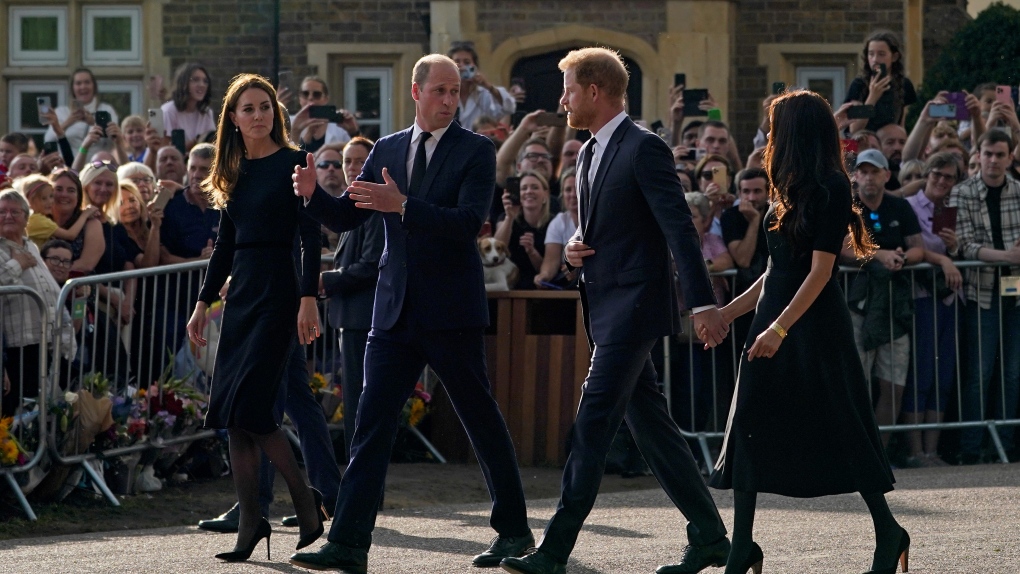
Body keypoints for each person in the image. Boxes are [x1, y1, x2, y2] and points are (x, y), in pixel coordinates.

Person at [290, 53, 532, 574]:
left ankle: (514, 532)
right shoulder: (390, 147)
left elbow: (468, 223)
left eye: (456, 91)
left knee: (480, 420)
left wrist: (402, 206)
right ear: (417, 93)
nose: (450, 100)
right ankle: (350, 542)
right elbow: (350, 216)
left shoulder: (475, 151)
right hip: (394, 313)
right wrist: (314, 198)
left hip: (451, 312)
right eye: (440, 91)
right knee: (370, 427)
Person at [500, 46, 731, 574]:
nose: (562, 100)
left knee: (591, 424)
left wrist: (701, 304)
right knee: (653, 429)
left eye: (568, 89)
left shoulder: (645, 148)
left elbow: (678, 231)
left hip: (635, 309)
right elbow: (610, 227)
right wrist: (579, 245)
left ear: (595, 92)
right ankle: (712, 535)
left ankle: (554, 550)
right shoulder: (584, 153)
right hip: (604, 306)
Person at [708, 90, 907, 574]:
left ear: (796, 130)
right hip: (772, 323)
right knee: (750, 430)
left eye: (775, 126)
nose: (769, 135)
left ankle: (889, 531)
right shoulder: (785, 188)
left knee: (845, 428)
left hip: (813, 328)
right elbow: (775, 271)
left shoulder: (832, 187)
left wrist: (778, 328)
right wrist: (728, 313)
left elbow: (820, 272)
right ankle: (743, 548)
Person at [185, 73, 324, 562]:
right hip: (241, 293)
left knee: (255, 410)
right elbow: (225, 243)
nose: (259, 114)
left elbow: (311, 237)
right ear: (234, 118)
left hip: (279, 293)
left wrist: (309, 297)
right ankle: (251, 522)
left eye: (265, 106)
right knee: (234, 416)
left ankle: (306, 503)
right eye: (248, 108)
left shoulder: (294, 164)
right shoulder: (234, 170)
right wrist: (203, 303)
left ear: (275, 113)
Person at [953, 129, 1020, 465]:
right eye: (988, 154)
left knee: (1012, 372)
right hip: (981, 294)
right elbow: (964, 245)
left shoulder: (1019, 192)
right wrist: (1007, 256)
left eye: (1000, 155)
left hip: (1016, 296)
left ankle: (1004, 447)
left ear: (1010, 157)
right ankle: (971, 447)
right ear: (977, 154)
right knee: (979, 372)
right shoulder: (963, 192)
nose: (993, 161)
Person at [318, 137, 384, 460]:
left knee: (361, 405)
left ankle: (363, 488)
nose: (353, 168)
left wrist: (326, 280)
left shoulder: (371, 208)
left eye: (360, 161)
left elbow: (370, 266)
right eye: (348, 162)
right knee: (355, 404)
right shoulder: (354, 206)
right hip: (351, 318)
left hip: (364, 319)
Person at [902, 152, 963, 467]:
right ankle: (915, 451)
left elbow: (962, 247)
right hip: (921, 295)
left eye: (949, 177)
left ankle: (932, 451)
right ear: (927, 174)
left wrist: (953, 247)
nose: (941, 181)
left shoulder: (955, 209)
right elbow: (913, 249)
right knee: (921, 372)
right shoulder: (911, 206)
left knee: (942, 373)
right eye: (937, 174)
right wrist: (943, 258)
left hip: (949, 298)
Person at [0, 189, 76, 416]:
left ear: (26, 218)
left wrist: (66, 336)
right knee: (19, 413)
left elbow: (51, 292)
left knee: (42, 411)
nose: (8, 216)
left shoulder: (30, 245)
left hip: (47, 342)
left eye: (15, 212)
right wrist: (17, 265)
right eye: (2, 212)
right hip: (17, 346)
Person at [845, 30, 917, 132]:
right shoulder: (859, 84)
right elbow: (854, 128)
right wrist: (872, 97)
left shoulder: (904, 84)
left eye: (881, 54)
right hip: (863, 143)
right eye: (871, 54)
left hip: (889, 142)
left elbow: (904, 126)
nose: (875, 59)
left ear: (894, 57)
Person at [43, 68, 120, 158]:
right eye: (78, 83)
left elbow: (115, 139)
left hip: (98, 166)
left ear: (94, 86)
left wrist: (94, 122)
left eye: (87, 82)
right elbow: (48, 141)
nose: (83, 87)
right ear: (72, 88)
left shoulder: (106, 110)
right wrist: (68, 122)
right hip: (68, 166)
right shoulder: (61, 112)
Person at [495, 170, 551, 290]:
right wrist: (509, 217)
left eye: (535, 187)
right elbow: (496, 250)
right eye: (523, 188)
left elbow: (550, 270)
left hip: (542, 288)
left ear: (545, 194)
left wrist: (532, 252)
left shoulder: (554, 222)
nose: (529, 191)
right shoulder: (506, 218)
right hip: (509, 285)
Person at [448, 41, 516, 133]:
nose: (462, 67)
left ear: (475, 66)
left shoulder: (484, 94)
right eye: (457, 62)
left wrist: (487, 86)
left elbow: (509, 107)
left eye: (467, 62)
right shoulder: (445, 95)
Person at [15, 175, 96, 249]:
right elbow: (70, 235)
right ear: (30, 201)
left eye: (51, 196)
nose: (50, 201)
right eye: (43, 198)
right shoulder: (38, 220)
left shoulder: (39, 218)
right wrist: (85, 215)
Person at [49, 168, 105, 275]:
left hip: (79, 287)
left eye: (71, 190)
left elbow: (86, 264)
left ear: (78, 197)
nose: (64, 194)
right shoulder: (39, 220)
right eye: (58, 189)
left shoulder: (91, 224)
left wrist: (52, 274)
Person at [287, 76, 358, 152]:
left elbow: (358, 153)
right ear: (299, 99)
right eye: (305, 94)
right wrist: (297, 133)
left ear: (326, 99)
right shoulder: (288, 122)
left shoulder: (340, 125)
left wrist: (354, 132)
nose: (310, 97)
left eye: (316, 94)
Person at [535, 168, 578, 288]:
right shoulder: (559, 222)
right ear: (562, 195)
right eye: (568, 190)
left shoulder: (600, 219)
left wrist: (582, 269)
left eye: (578, 187)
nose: (573, 194)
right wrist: (544, 276)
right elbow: (551, 262)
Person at [161, 62, 216, 150]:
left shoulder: (206, 112)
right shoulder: (168, 111)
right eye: (195, 80)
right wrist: (196, 141)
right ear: (183, 83)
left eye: (205, 81)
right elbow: (165, 149)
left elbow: (211, 146)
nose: (202, 85)